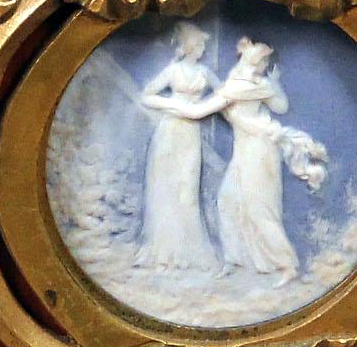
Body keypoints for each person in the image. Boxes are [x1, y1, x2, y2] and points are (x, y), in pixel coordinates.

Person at [214, 36, 323, 281]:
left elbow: (281, 107)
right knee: (227, 200)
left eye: (263, 60)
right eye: (262, 59)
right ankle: (235, 259)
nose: (263, 64)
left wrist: (274, 85)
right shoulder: (236, 80)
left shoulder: (257, 84)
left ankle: (287, 266)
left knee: (259, 208)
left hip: (259, 149)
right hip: (243, 149)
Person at [133, 21, 231, 272]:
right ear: (188, 46)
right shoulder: (173, 71)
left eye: (202, 45)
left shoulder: (204, 73)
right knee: (164, 187)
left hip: (190, 135)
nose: (201, 48)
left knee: (186, 190)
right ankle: (163, 253)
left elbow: (225, 96)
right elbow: (147, 95)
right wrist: (177, 106)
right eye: (198, 44)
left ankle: (188, 251)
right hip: (170, 131)